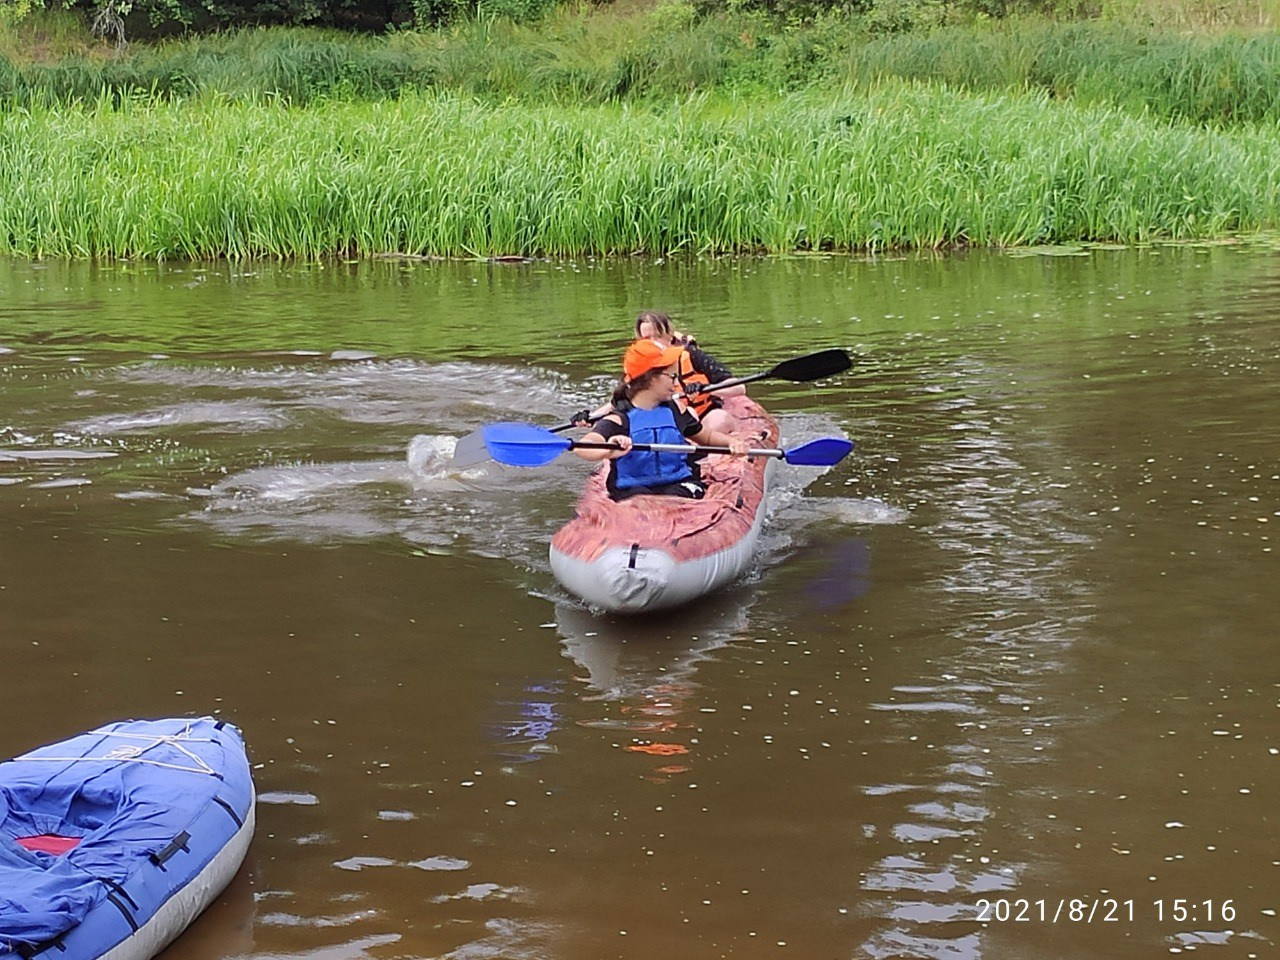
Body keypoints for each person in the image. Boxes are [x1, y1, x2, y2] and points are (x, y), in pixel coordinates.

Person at [571, 339, 750, 501]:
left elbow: (707, 437)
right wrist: (609, 448)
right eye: (672, 377)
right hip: (633, 489)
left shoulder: (676, 410)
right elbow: (583, 447)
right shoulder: (620, 418)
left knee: (677, 496)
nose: (676, 382)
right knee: (642, 502)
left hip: (679, 482)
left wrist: (732, 442)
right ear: (650, 379)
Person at [574, 310, 744, 434]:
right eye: (647, 338)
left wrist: (704, 388)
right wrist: (591, 416)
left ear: (670, 335)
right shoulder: (640, 363)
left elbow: (739, 389)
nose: (654, 343)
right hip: (666, 419)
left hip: (703, 417)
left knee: (719, 420)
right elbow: (621, 400)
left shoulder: (692, 355)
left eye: (658, 336)